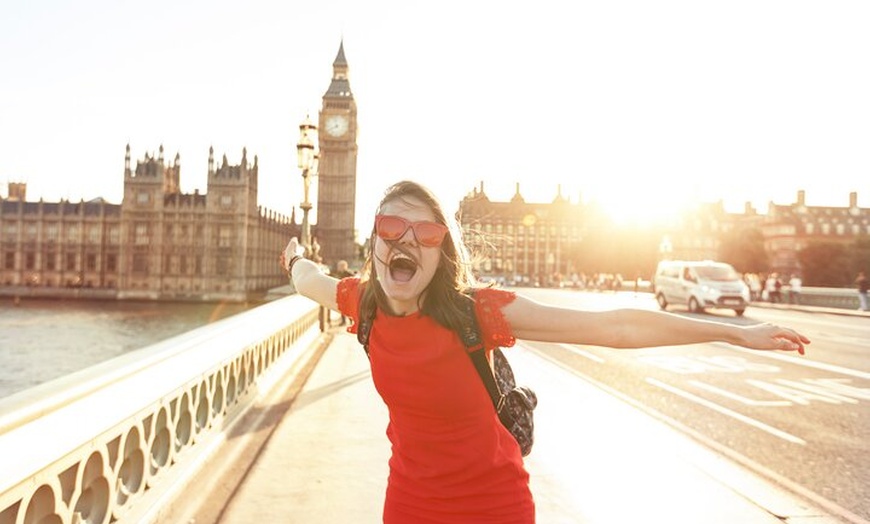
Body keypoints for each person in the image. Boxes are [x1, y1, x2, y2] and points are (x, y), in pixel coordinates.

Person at [279, 180, 809, 524]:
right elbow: (309, 280)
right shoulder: (361, 301)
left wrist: (733, 332)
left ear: (443, 252)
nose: (406, 240)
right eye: (392, 228)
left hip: (494, 505)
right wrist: (295, 259)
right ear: (374, 242)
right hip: (411, 504)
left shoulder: (479, 312)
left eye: (427, 231)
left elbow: (616, 327)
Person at [331, 260, 355, 325]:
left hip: (348, 293)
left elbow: (353, 282)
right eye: (338, 266)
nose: (339, 268)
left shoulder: (349, 273)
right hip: (341, 293)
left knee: (349, 308)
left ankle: (351, 320)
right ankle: (343, 321)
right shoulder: (338, 273)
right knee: (342, 307)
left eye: (340, 266)